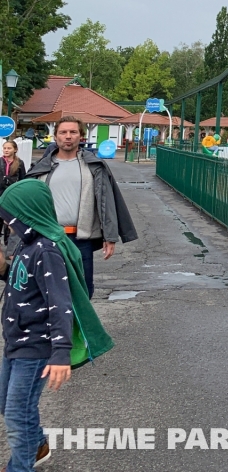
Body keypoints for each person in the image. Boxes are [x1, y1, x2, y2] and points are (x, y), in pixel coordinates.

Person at [0, 179, 114, 471]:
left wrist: (60, 352)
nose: (7, 224)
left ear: (27, 215)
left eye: (10, 218)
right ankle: (37, 445)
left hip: (36, 345)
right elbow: (23, 283)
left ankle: (20, 466)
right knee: (9, 406)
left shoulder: (47, 250)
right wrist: (3, 266)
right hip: (15, 342)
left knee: (17, 413)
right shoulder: (28, 247)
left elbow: (60, 304)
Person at [27, 117, 138, 298]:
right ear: (55, 136)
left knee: (83, 291)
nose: (68, 136)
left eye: (73, 132)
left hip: (81, 239)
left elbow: (107, 201)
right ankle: (55, 326)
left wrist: (110, 236)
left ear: (81, 136)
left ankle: (79, 327)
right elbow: (26, 205)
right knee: (46, 290)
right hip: (47, 237)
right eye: (63, 132)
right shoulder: (42, 167)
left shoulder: (94, 166)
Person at [0, 142, 26, 246]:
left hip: (12, 196)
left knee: (9, 221)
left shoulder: (19, 163)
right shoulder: (0, 161)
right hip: (0, 193)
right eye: (4, 148)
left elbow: (23, 179)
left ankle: (8, 244)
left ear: (15, 150)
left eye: (9, 148)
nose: (6, 150)